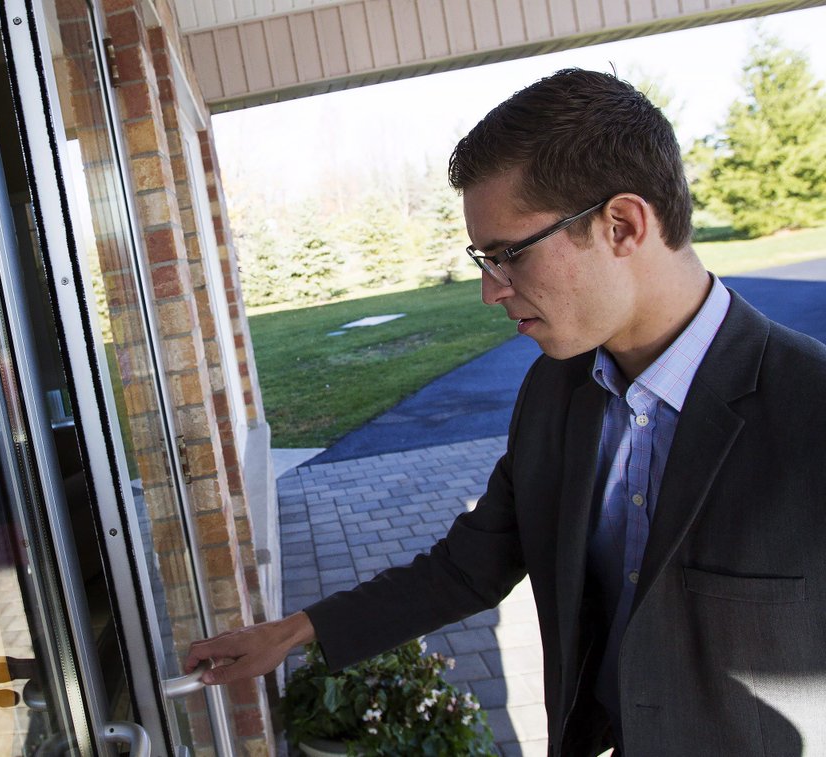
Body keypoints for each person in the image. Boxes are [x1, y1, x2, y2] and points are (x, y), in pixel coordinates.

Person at [184, 68, 826, 755]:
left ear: (622, 225)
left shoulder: (811, 411)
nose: (491, 291)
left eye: (507, 255)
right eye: (483, 260)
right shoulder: (555, 392)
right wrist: (293, 632)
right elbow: (471, 565)